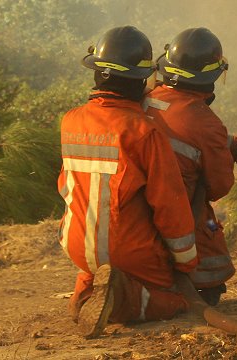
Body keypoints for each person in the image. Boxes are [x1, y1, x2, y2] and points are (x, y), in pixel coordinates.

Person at [58, 25, 198, 339]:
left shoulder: (70, 121)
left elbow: (66, 187)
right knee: (176, 298)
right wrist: (186, 263)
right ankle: (124, 302)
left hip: (77, 247)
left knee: (98, 255)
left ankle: (85, 291)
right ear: (139, 80)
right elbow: (169, 206)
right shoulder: (144, 132)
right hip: (129, 253)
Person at [143, 27, 237, 305]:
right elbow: (218, 187)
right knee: (209, 223)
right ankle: (203, 283)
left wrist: (228, 144)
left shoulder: (144, 99)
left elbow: (175, 129)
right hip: (178, 213)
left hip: (135, 209)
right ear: (209, 78)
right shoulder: (205, 122)